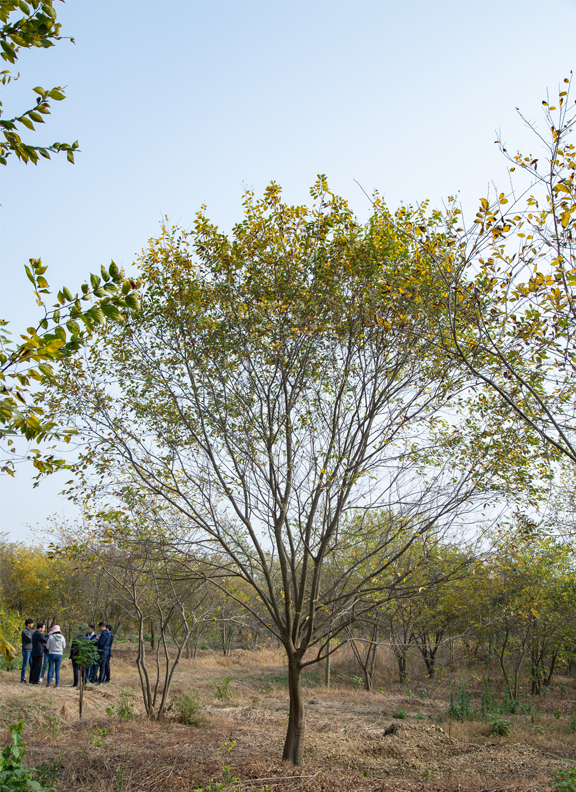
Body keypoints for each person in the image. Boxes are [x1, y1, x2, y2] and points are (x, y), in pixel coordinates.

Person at [20, 619, 34, 683]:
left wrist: (31, 638)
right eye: (31, 623)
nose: (32, 625)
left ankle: (32, 679)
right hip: (26, 650)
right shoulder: (24, 631)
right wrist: (31, 638)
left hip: (31, 650)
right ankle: (22, 678)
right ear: (28, 624)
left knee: (32, 665)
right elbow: (29, 640)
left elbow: (33, 638)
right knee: (25, 665)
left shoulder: (31, 631)